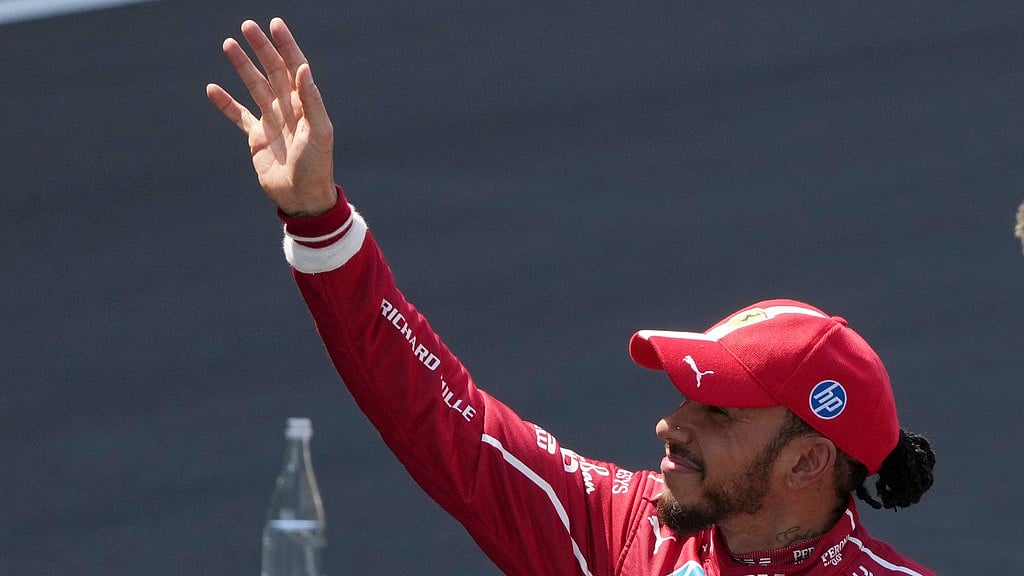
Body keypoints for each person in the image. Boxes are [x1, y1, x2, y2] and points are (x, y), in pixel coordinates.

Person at [207, 18, 937, 576]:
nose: (671, 424)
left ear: (807, 463)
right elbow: (438, 416)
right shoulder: (624, 529)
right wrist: (319, 221)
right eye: (686, 398)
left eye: (716, 412)